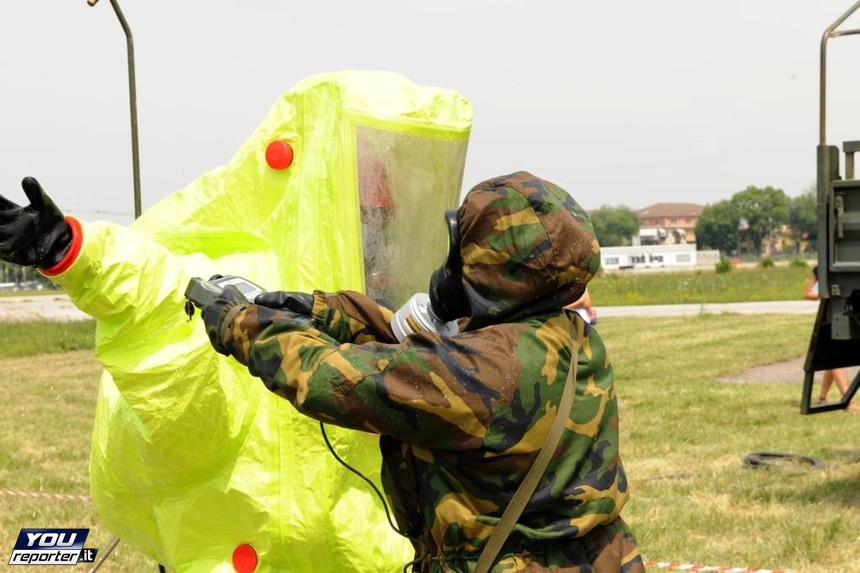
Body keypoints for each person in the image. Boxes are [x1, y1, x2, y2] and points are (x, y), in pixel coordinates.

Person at [200, 171, 645, 572]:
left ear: (493, 268)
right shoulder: (565, 334)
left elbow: (333, 379)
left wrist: (241, 323)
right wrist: (320, 310)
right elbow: (424, 350)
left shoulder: (483, 371)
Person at [804, 265, 856, 411]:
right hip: (829, 318)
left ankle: (822, 398)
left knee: (833, 360)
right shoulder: (819, 269)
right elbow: (807, 293)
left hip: (846, 315)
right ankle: (848, 401)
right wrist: (825, 294)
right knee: (835, 361)